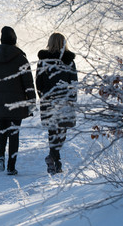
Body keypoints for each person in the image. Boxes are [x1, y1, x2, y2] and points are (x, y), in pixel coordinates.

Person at [0, 26, 36, 176]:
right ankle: (11, 166)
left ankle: (0, 157)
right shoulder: (20, 58)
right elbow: (28, 83)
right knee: (14, 133)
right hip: (16, 103)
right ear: (15, 40)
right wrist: (32, 101)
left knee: (1, 131)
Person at [36, 33, 78, 174]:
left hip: (49, 100)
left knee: (52, 131)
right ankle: (54, 159)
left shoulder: (43, 61)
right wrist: (72, 99)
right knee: (62, 131)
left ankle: (55, 159)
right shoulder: (69, 61)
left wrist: (43, 96)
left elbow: (39, 82)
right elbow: (73, 82)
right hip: (65, 100)